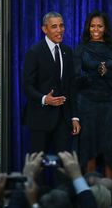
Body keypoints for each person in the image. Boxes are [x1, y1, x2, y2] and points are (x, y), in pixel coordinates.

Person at [73, 11, 112, 181]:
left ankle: (111, 196)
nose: (96, 29)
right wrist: (94, 74)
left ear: (105, 28)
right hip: (87, 105)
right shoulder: (82, 49)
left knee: (111, 149)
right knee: (88, 148)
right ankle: (89, 193)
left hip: (110, 105)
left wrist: (107, 73)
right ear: (88, 28)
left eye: (100, 26)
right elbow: (74, 79)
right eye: (92, 26)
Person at [22, 11, 81, 154]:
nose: (59, 30)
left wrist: (74, 117)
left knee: (64, 164)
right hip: (40, 118)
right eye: (54, 26)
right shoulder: (34, 52)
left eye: (61, 26)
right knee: (37, 165)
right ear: (44, 29)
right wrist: (44, 99)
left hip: (63, 118)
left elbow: (71, 87)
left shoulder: (67, 52)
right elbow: (27, 86)